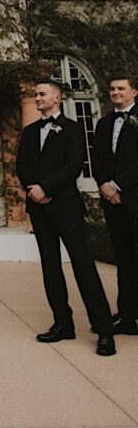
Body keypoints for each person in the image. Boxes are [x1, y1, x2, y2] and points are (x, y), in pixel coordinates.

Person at [15, 80, 115, 355]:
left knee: (84, 266)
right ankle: (63, 323)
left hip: (66, 207)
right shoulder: (30, 130)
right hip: (39, 209)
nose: (37, 98)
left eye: (42, 94)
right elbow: (21, 164)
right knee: (50, 267)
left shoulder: (72, 129)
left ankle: (104, 330)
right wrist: (33, 189)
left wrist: (45, 188)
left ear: (57, 98)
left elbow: (74, 165)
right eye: (35, 94)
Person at [92, 75, 138, 335]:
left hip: (134, 196)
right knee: (124, 258)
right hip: (113, 201)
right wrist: (104, 186)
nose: (116, 92)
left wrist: (118, 184)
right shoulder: (103, 123)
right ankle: (127, 314)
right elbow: (97, 158)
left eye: (121, 88)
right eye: (112, 89)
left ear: (134, 92)